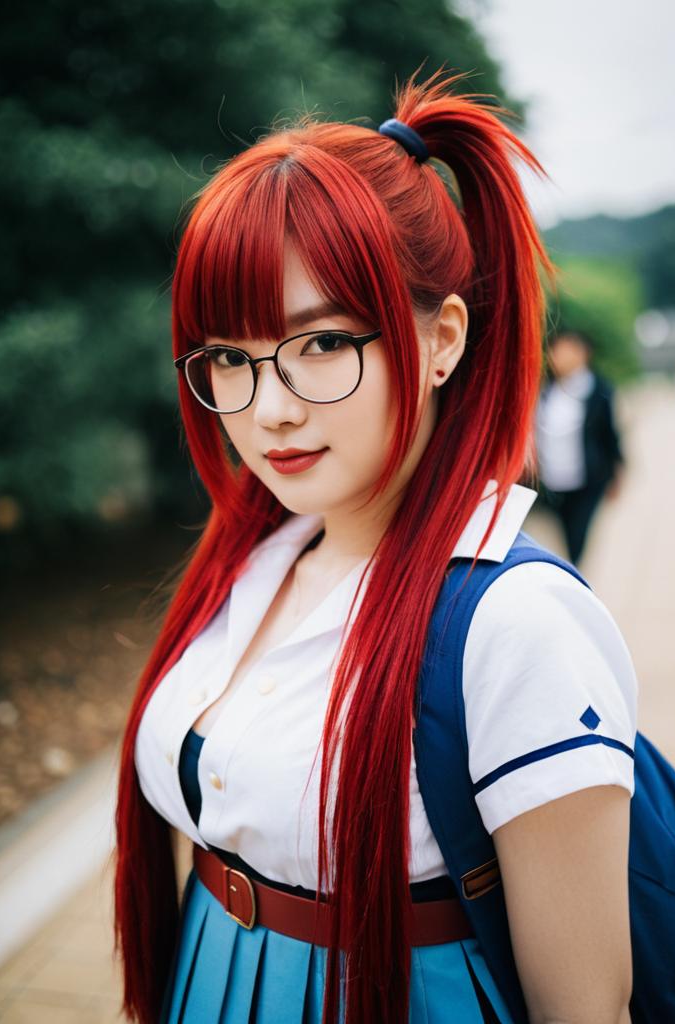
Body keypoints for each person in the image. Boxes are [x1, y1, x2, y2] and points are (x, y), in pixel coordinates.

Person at [113, 67, 638, 1024]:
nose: (270, 408)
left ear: (440, 340)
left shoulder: (518, 622)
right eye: (229, 357)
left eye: (321, 344)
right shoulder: (260, 557)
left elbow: (586, 1009)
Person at [535, 330, 625, 565]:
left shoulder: (599, 391)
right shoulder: (545, 390)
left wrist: (618, 472)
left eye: (565, 351)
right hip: (551, 481)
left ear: (582, 354)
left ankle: (575, 575)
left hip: (587, 479)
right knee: (553, 536)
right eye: (554, 351)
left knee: (577, 537)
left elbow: (610, 434)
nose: (557, 357)